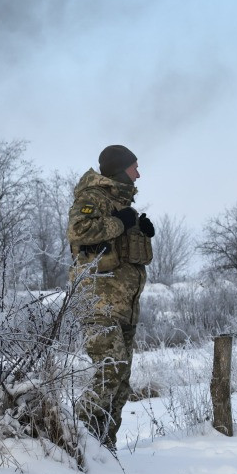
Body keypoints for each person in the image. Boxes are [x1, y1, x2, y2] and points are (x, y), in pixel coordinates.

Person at [68, 145, 154, 450]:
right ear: (119, 169)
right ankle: (76, 441)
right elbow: (78, 230)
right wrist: (121, 223)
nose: (138, 173)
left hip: (125, 306)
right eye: (134, 168)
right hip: (99, 302)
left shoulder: (121, 202)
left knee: (121, 382)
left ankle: (104, 450)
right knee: (111, 368)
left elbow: (123, 251)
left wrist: (139, 232)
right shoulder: (93, 196)